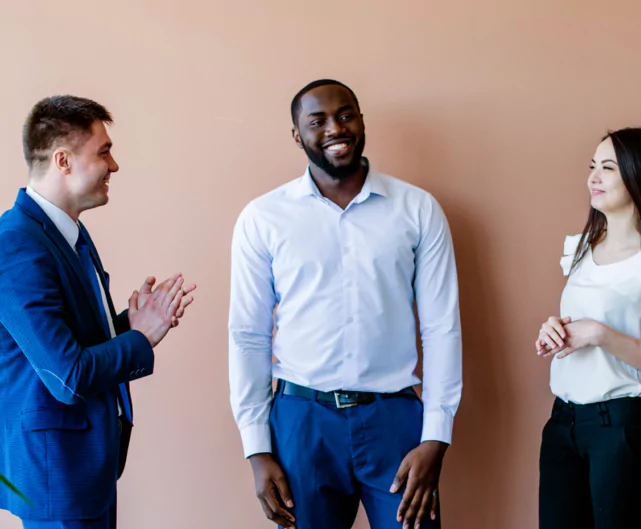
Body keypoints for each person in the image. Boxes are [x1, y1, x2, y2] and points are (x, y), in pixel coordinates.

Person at [229, 79, 462, 529]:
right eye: (317, 121)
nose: (335, 128)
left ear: (360, 120)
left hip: (394, 419)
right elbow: (248, 334)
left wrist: (437, 435)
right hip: (302, 420)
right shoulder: (263, 218)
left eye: (346, 114)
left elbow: (441, 328)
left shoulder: (417, 209)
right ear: (297, 135)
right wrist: (257, 447)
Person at [0, 95, 195, 528]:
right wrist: (140, 337)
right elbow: (67, 377)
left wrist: (127, 323)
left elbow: (73, 342)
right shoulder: (15, 244)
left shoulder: (68, 232)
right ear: (63, 160)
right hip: (57, 478)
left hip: (88, 464)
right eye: (104, 151)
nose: (115, 165)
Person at [535, 127, 641, 529]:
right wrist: (555, 330)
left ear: (640, 176)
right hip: (562, 423)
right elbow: (579, 325)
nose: (594, 176)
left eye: (608, 167)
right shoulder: (580, 249)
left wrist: (600, 334)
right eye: (593, 166)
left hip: (621, 427)